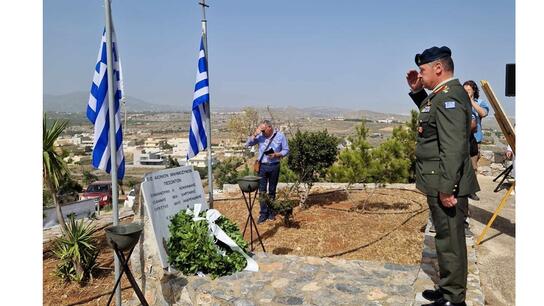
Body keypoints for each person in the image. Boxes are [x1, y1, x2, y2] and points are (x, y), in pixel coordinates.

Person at [406, 46, 480, 306]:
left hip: (447, 183)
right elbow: (431, 116)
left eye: (423, 70)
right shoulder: (442, 95)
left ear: (438, 68)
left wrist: (448, 188)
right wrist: (417, 91)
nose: (421, 74)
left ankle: (454, 299)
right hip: (440, 181)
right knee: (445, 238)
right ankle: (448, 287)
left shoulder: (450, 96)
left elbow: (452, 147)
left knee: (451, 241)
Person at [245, 120, 289, 224]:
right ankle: (263, 213)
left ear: (270, 127)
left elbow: (286, 150)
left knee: (272, 190)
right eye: (261, 130)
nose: (262, 132)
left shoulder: (280, 136)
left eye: (263, 130)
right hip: (262, 166)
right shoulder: (260, 136)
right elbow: (247, 144)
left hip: (274, 165)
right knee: (262, 191)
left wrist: (276, 155)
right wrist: (255, 134)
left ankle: (271, 212)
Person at [463, 80, 490, 201]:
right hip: (461, 139)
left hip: (475, 139)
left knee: (473, 166)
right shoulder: (460, 102)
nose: (466, 93)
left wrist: (471, 101)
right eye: (464, 91)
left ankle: (472, 190)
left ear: (473, 91)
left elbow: (483, 113)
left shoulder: (480, 102)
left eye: (468, 91)